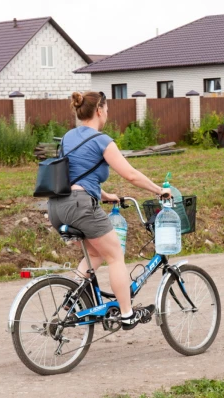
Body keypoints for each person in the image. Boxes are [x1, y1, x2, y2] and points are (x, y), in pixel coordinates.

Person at [47, 91, 170, 330]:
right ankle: (126, 314)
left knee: (96, 254)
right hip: (79, 206)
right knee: (115, 255)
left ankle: (70, 302)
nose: (108, 113)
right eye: (108, 109)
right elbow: (131, 174)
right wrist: (159, 190)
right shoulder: (102, 140)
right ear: (100, 110)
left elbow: (72, 176)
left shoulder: (67, 137)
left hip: (56, 206)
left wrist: (105, 195)